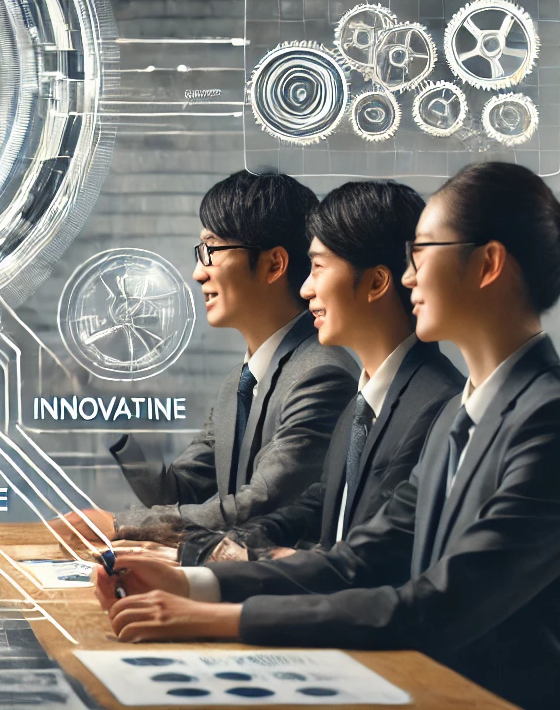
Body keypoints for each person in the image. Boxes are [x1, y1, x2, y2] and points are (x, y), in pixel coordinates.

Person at [98, 162, 560, 710]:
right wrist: (194, 585)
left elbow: (436, 606)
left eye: (422, 252)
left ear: (488, 264)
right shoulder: (461, 412)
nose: (407, 277)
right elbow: (357, 561)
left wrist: (216, 617)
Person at [53, 170, 357, 560]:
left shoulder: (321, 373)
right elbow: (177, 492)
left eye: (210, 250)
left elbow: (258, 504)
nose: (199, 273)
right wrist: (107, 410)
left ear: (273, 265)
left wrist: (120, 524)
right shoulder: (241, 382)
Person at [184, 181, 462, 560]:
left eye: (317, 267)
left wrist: (234, 558)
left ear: (377, 282)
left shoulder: (436, 407)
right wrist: (223, 547)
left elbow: (372, 561)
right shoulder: (362, 405)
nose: (304, 289)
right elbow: (318, 507)